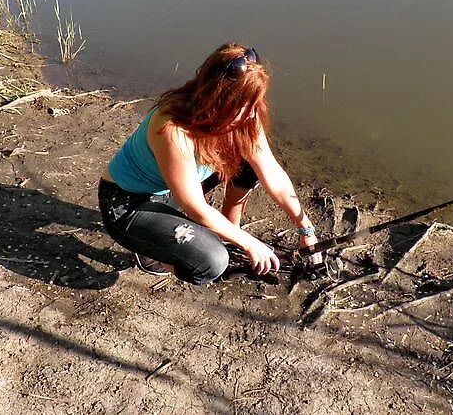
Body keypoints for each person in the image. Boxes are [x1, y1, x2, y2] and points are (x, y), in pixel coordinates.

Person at [98, 43, 319, 285]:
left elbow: (272, 173)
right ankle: (159, 255)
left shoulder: (247, 114)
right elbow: (194, 207)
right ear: (218, 100)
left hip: (172, 187)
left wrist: (305, 227)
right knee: (212, 261)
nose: (252, 113)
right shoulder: (172, 128)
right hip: (128, 203)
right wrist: (249, 242)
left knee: (248, 162)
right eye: (245, 106)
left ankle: (225, 229)